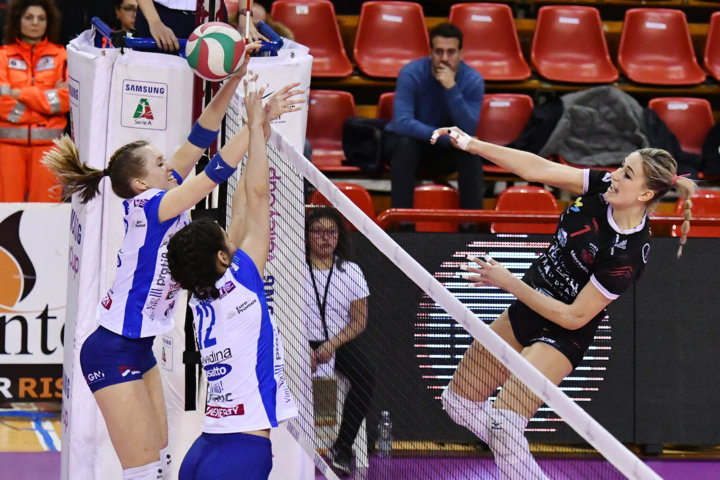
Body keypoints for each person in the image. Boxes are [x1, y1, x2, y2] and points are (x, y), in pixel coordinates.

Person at [42, 53, 302, 480]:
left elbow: (202, 134)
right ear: (142, 182)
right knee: (143, 472)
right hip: (111, 348)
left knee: (162, 461)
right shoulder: (155, 205)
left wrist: (233, 79)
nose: (171, 164)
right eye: (160, 163)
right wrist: (256, 128)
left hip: (138, 347)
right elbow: (213, 174)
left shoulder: (163, 193)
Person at [432, 126, 696, 479]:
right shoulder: (605, 187)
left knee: (505, 422)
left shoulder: (628, 255)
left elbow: (573, 316)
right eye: (620, 167)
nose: (614, 175)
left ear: (646, 193)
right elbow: (536, 169)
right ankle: (513, 451)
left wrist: (509, 282)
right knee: (458, 403)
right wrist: (472, 144)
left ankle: (511, 446)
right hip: (531, 303)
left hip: (564, 328)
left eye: (626, 174)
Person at [166, 76, 300, 480]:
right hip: (241, 452)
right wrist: (256, 128)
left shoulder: (200, 292)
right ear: (224, 256)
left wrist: (260, 127)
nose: (231, 231)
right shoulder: (242, 282)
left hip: (204, 449)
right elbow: (257, 197)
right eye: (226, 238)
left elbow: (243, 206)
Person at [384, 23, 485, 222]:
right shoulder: (411, 73)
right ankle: (403, 227)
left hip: (445, 153)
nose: (445, 58)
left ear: (461, 53)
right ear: (430, 53)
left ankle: (471, 228)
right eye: (439, 52)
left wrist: (451, 88)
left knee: (470, 153)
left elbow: (469, 128)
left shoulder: (473, 80)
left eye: (451, 52)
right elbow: (403, 122)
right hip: (414, 147)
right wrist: (447, 138)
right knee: (405, 146)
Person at [303, 206, 375, 476]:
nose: (325, 238)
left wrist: (332, 344)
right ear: (308, 235)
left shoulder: (351, 271)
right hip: (301, 342)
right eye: (318, 232)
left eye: (331, 232)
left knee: (366, 376)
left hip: (338, 342)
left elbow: (359, 321)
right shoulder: (294, 268)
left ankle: (342, 446)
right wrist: (302, 348)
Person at [0, 0, 68, 202]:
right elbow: (1, 103)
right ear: (17, 20)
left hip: (49, 150)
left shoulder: (61, 56)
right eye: (29, 17)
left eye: (41, 18)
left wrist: (17, 93)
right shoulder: (2, 56)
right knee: (6, 216)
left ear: (49, 22)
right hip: (7, 149)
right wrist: (45, 104)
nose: (35, 23)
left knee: (46, 217)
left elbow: (64, 101)